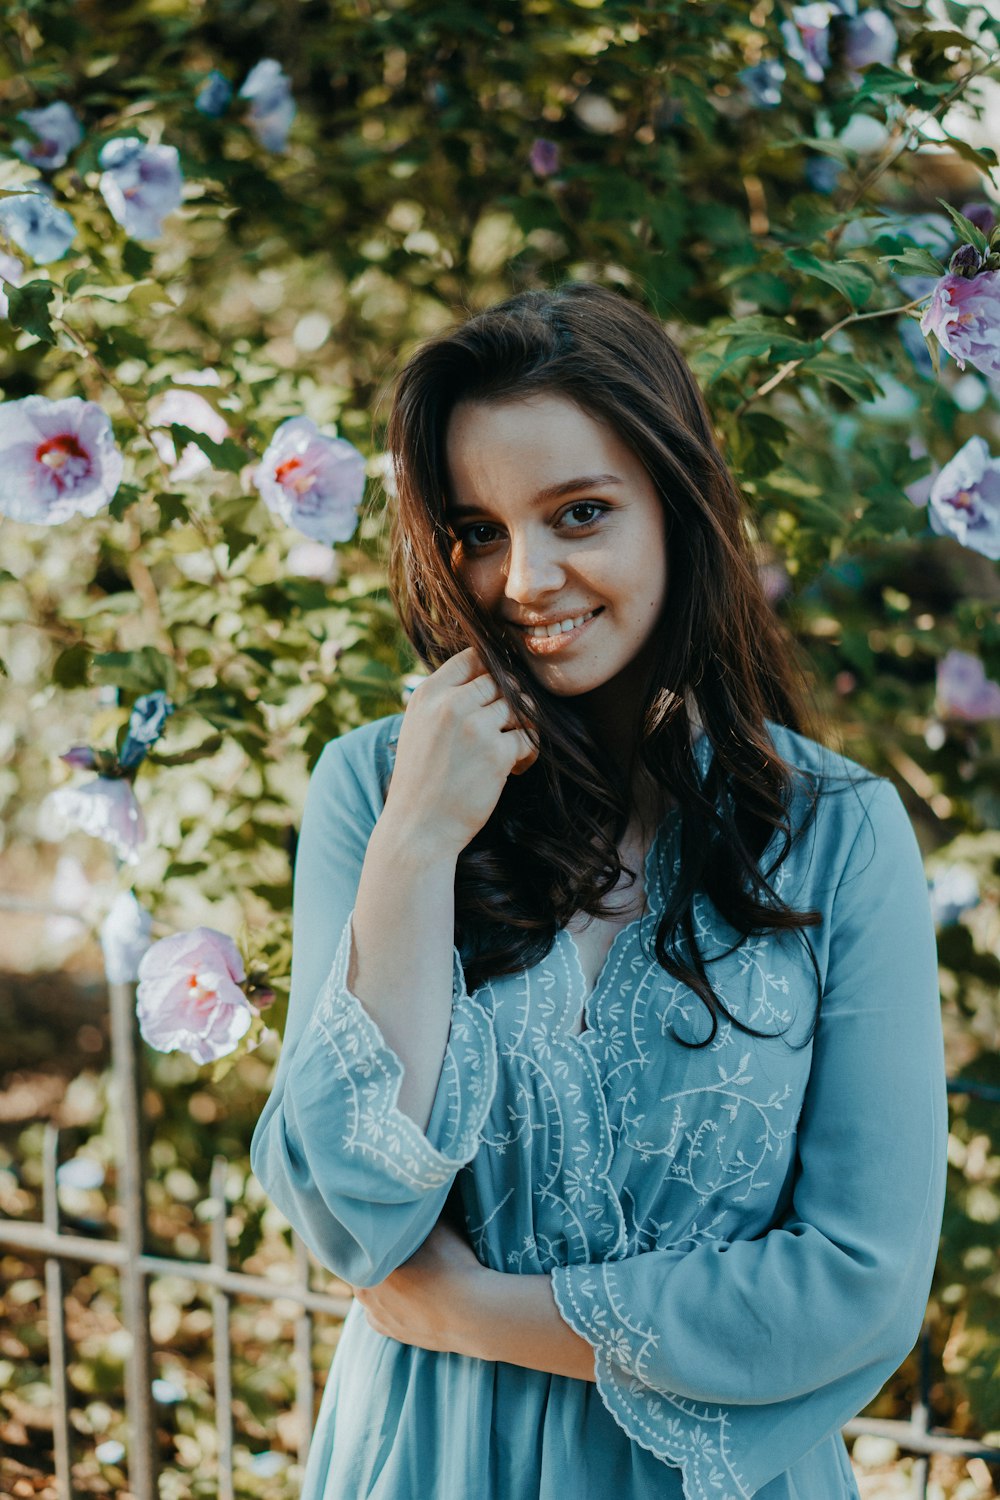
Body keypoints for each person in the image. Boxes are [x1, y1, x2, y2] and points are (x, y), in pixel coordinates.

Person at [250, 281, 948, 1500]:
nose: (527, 579)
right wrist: (418, 843)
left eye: (579, 513)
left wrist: (469, 1310)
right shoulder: (373, 788)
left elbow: (856, 1279)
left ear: (676, 510)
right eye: (475, 530)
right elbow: (349, 1218)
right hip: (426, 1463)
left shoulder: (840, 833)